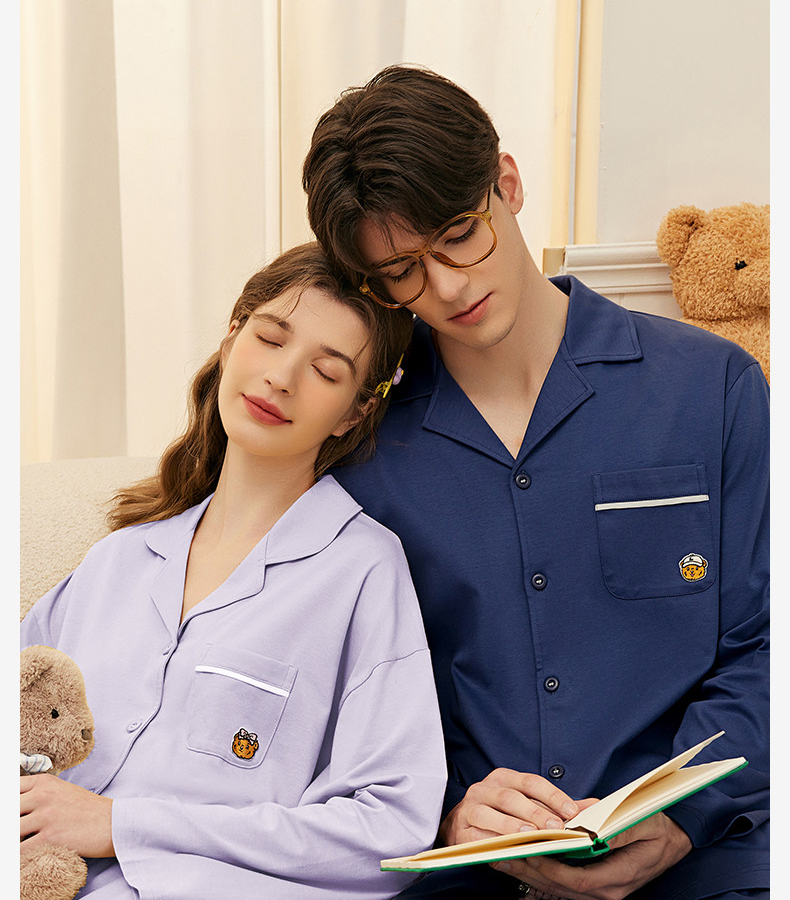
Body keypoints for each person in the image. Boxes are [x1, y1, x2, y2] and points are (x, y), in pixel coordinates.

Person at [301, 65, 769, 900]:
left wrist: (682, 818)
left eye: (459, 233)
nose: (447, 286)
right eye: (403, 271)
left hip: (711, 863)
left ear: (507, 184)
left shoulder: (711, 386)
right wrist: (450, 810)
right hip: (470, 879)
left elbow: (768, 642)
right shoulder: (363, 450)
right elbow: (342, 693)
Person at [20, 242, 447, 900]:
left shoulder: (362, 571)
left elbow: (391, 831)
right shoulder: (118, 560)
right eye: (270, 339)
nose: (281, 378)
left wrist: (123, 826)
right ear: (231, 337)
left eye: (326, 371)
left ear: (356, 411)